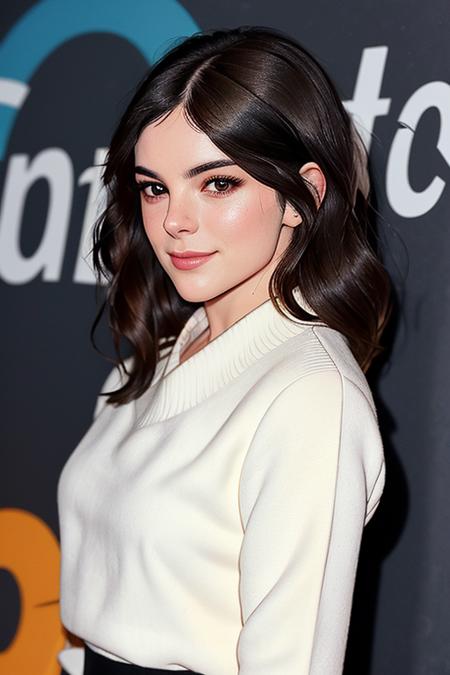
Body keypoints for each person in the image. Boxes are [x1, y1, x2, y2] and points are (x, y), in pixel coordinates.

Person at [56, 24, 393, 675]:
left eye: (216, 184)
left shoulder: (310, 394)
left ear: (305, 196)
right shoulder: (152, 357)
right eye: (154, 187)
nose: (175, 220)